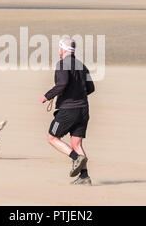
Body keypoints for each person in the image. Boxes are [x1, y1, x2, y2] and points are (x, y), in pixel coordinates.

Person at [40, 36, 95, 185]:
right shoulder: (82, 65)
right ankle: (84, 177)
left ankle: (76, 158)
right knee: (77, 143)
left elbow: (62, 83)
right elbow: (91, 88)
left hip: (68, 111)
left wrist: (47, 96)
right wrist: (77, 95)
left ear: (62, 49)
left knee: (52, 138)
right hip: (84, 110)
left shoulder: (62, 64)